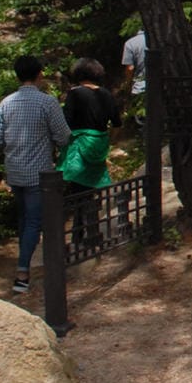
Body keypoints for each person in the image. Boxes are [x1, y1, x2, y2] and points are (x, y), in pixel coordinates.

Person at [0, 54, 70, 294]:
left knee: (25, 219)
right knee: (34, 221)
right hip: (40, 174)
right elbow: (64, 136)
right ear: (39, 74)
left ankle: (32, 262)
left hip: (15, 171)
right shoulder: (47, 103)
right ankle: (23, 272)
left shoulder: (6, 103)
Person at [60, 56, 121, 251]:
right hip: (99, 144)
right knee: (92, 190)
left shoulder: (74, 94)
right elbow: (117, 122)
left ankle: (78, 236)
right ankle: (92, 232)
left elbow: (65, 122)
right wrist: (107, 139)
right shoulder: (106, 94)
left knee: (78, 191)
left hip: (79, 145)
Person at [120, 19, 147, 128]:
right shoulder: (160, 39)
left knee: (142, 120)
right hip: (161, 84)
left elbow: (130, 68)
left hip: (140, 87)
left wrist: (128, 84)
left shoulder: (131, 43)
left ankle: (144, 141)